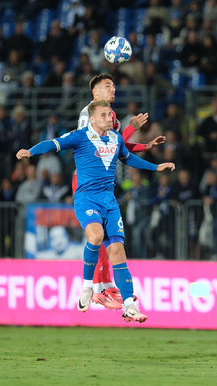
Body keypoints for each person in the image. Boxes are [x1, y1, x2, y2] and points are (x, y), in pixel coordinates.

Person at [16, 100, 176, 323]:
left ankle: (129, 305)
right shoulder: (81, 136)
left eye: (109, 115)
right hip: (86, 199)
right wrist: (30, 152)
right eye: (103, 115)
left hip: (109, 201)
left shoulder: (116, 138)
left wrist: (156, 167)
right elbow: (53, 144)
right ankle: (87, 287)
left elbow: (128, 158)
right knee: (96, 235)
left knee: (118, 252)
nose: (109, 118)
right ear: (92, 119)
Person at [76, 73, 165, 310]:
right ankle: (98, 288)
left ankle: (104, 287)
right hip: (87, 182)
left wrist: (145, 146)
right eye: (107, 86)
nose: (113, 89)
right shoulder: (90, 114)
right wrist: (132, 128)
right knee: (98, 236)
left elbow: (118, 146)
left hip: (102, 186)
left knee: (108, 239)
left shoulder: (111, 116)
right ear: (95, 93)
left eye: (114, 86)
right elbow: (94, 144)